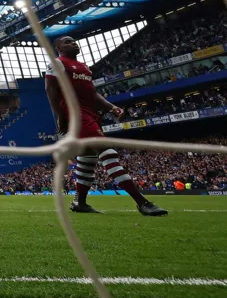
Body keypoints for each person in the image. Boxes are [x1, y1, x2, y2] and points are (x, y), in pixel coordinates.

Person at [44, 36, 166, 216]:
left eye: (74, 41)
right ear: (58, 48)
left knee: (88, 158)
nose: (74, 43)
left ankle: (80, 202)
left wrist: (111, 107)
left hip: (90, 113)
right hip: (75, 114)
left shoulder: (84, 67)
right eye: (68, 42)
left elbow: (93, 94)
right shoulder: (58, 63)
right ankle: (142, 202)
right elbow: (50, 90)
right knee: (107, 152)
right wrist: (61, 117)